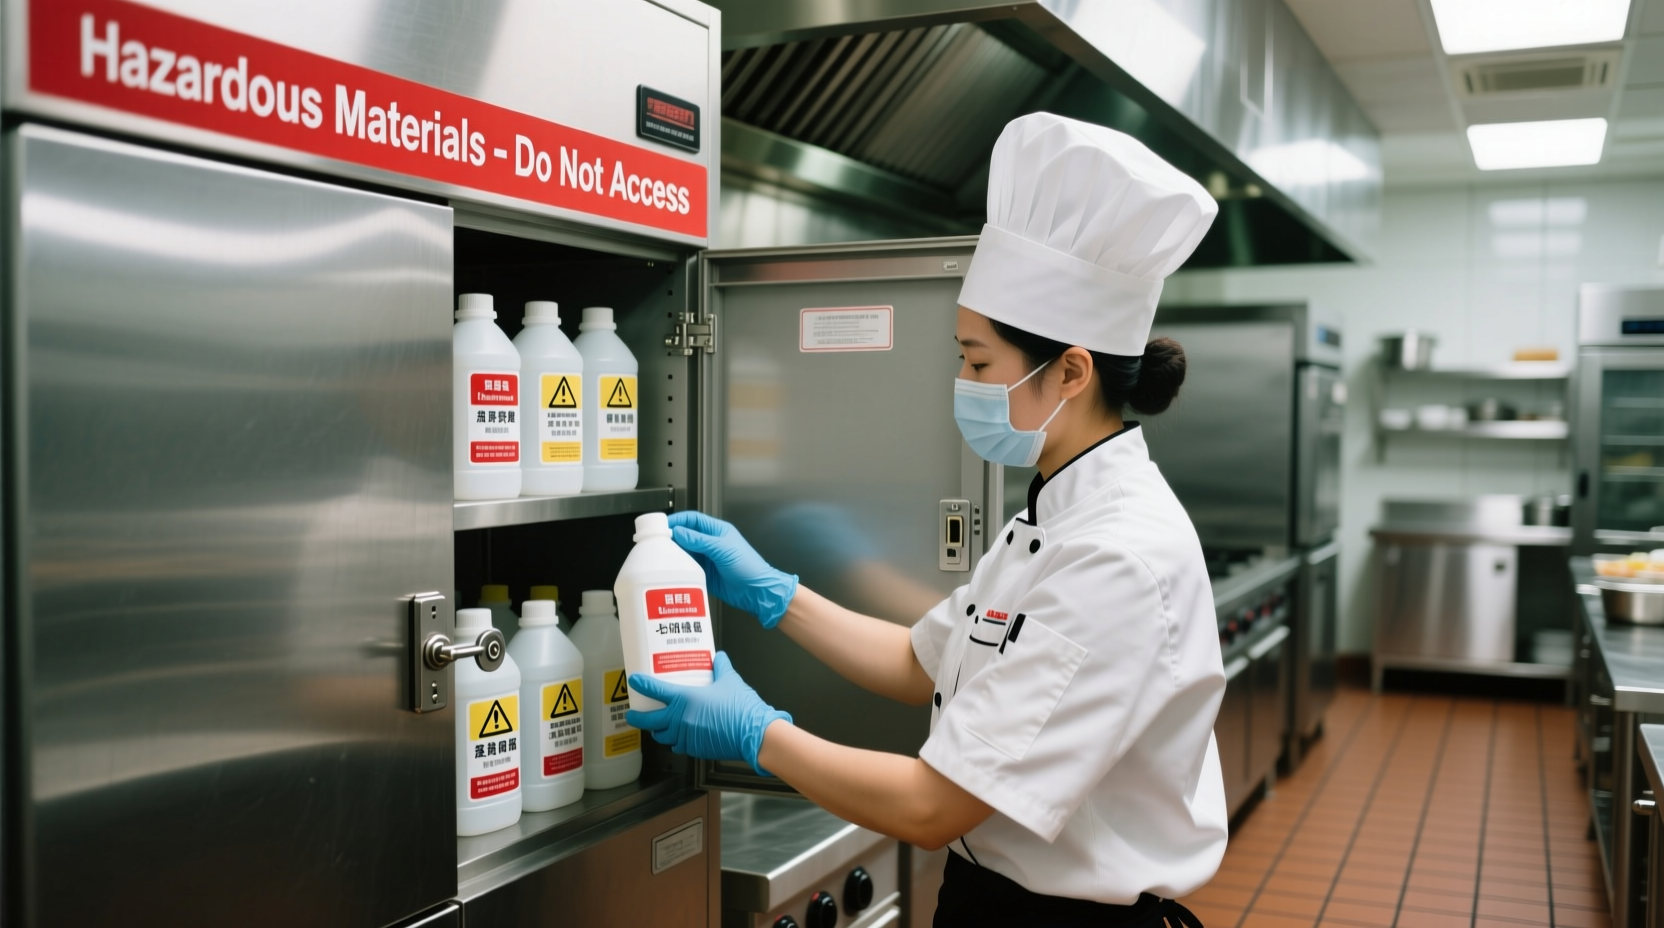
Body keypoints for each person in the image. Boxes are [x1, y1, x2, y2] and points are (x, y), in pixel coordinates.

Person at [627, 112, 1226, 927]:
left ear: (1072, 372)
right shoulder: (1048, 517)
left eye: (979, 362)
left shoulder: (1116, 557)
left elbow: (931, 808)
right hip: (989, 898)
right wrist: (774, 593)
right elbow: (919, 662)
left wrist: (757, 734)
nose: (964, 382)